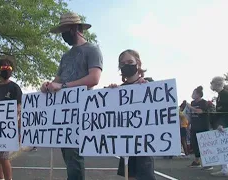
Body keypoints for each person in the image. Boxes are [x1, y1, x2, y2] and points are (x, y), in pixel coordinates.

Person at [41, 12, 103, 180]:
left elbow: (94, 78)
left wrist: (64, 86)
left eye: (65, 29)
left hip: (81, 110)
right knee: (69, 156)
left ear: (75, 28)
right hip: (63, 113)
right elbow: (58, 79)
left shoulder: (92, 49)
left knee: (74, 157)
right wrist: (48, 85)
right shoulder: (65, 56)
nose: (63, 34)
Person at [107, 49, 156, 180]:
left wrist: (148, 87)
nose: (126, 65)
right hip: (126, 141)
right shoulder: (119, 89)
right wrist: (111, 94)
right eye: (123, 64)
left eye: (130, 62)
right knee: (130, 176)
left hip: (144, 142)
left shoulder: (150, 84)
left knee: (145, 175)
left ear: (138, 63)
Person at [0, 56, 23, 180]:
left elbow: (20, 106)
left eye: (9, 67)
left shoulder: (15, 88)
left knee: (3, 157)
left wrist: (19, 125)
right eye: (4, 67)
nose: (7, 69)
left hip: (8, 129)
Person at [186, 86, 213, 170]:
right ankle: (197, 161)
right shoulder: (193, 102)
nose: (192, 95)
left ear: (198, 94)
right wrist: (188, 124)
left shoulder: (203, 102)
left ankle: (209, 163)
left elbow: (200, 111)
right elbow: (191, 114)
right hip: (194, 126)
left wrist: (190, 107)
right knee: (194, 144)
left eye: (194, 93)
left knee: (204, 145)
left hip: (202, 126)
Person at [210, 76, 228, 177]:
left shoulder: (225, 95)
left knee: (225, 147)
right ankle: (225, 169)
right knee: (224, 147)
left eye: (211, 83)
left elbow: (226, 112)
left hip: (225, 124)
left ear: (216, 84)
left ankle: (225, 169)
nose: (211, 85)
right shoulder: (220, 96)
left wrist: (222, 123)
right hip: (222, 124)